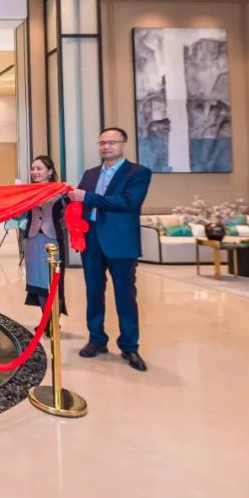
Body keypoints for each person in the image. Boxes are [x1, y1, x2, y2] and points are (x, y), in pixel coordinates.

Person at [70, 127, 152, 372]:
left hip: (121, 241)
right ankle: (96, 339)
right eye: (102, 142)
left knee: (125, 296)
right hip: (92, 239)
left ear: (123, 145)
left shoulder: (138, 172)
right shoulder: (90, 174)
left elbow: (128, 202)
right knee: (93, 292)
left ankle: (129, 346)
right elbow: (78, 201)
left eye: (112, 142)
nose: (106, 146)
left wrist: (86, 197)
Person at [20, 156, 67, 318]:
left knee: (54, 281)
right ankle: (46, 320)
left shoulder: (61, 191)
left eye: (39, 168)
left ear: (50, 172)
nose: (34, 172)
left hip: (52, 240)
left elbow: (69, 214)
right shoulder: (26, 192)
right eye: (33, 168)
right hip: (32, 240)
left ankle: (54, 322)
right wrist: (16, 202)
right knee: (37, 281)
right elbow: (19, 216)